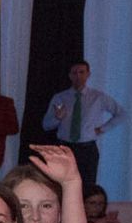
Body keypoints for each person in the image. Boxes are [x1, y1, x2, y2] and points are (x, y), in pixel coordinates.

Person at [41, 60, 124, 188]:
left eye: (81, 72)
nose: (78, 76)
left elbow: (121, 114)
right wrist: (58, 118)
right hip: (65, 149)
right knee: (62, 187)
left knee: (87, 187)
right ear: (69, 75)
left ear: (88, 74)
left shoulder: (98, 97)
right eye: (74, 73)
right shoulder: (60, 97)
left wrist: (102, 129)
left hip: (87, 150)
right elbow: (46, 125)